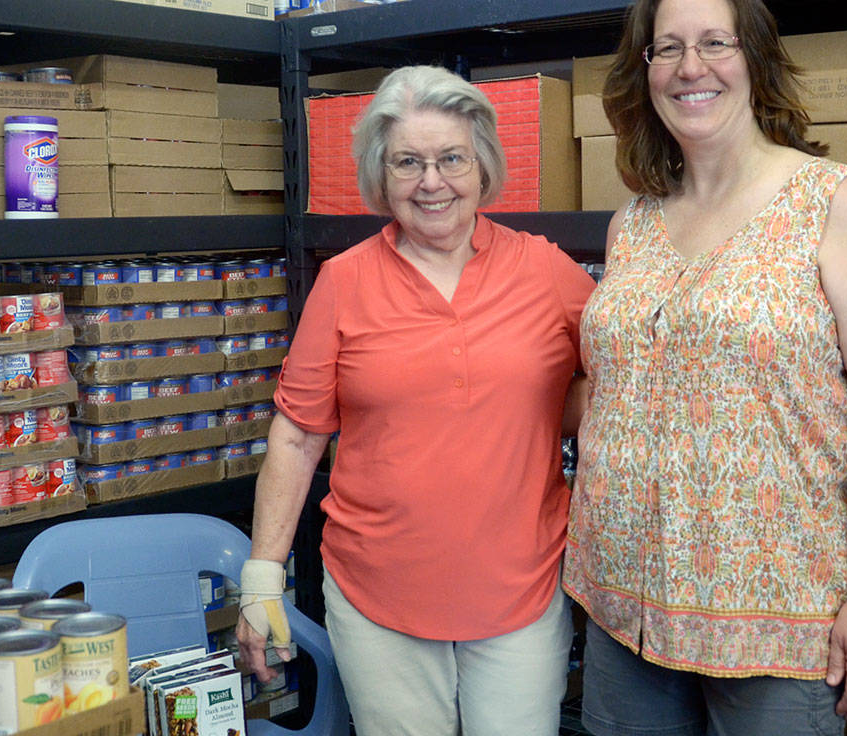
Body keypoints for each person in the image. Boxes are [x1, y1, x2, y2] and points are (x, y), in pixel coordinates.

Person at [563, 0, 847, 736]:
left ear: (753, 59)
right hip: (627, 604)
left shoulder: (831, 204)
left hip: (779, 618)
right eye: (668, 48)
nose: (691, 67)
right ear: (646, 70)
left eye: (715, 43)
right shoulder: (634, 222)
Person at [236, 65, 595, 736]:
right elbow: (295, 437)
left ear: (483, 165)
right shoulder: (343, 283)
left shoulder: (546, 271)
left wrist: (554, 407)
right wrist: (262, 579)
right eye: (408, 163)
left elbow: (616, 371)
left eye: (451, 159)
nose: (432, 182)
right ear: (381, 175)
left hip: (520, 589)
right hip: (379, 599)